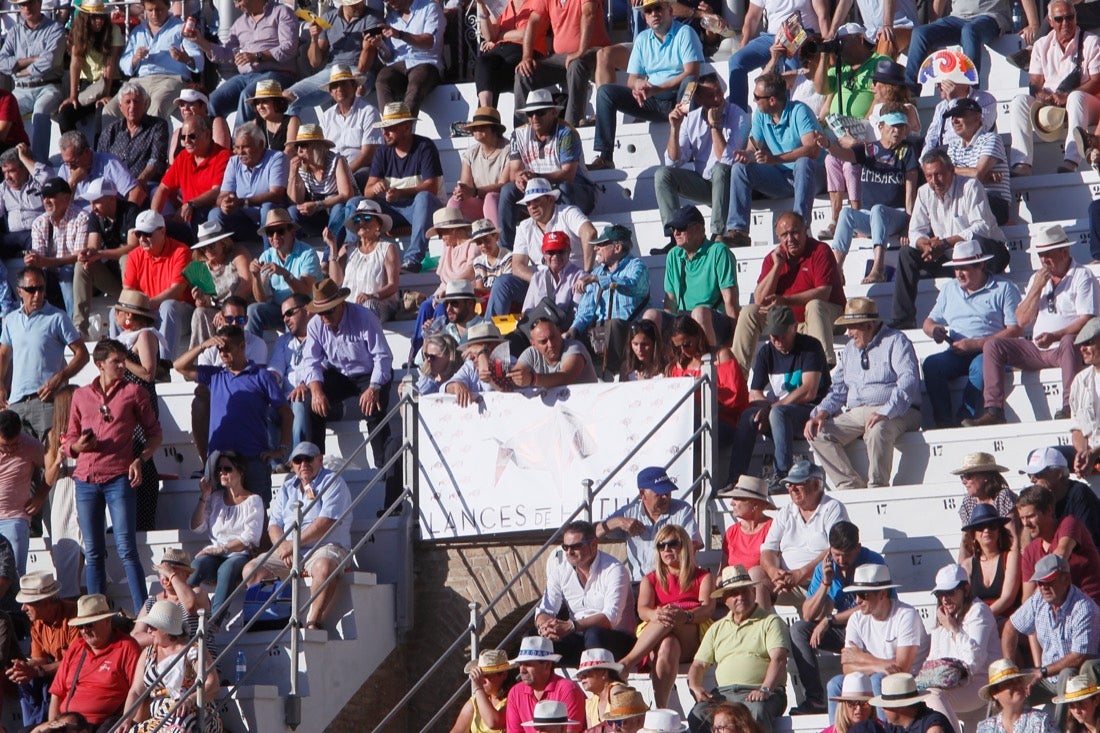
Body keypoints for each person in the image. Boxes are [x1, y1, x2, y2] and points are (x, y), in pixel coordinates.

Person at [66, 340, 161, 614]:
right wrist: (76, 447)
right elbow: (69, 437)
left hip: (119, 477)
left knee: (126, 548)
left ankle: (143, 613)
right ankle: (95, 616)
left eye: (123, 360)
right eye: (116, 361)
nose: (122, 366)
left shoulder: (135, 392)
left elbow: (155, 434)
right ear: (100, 365)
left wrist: (140, 459)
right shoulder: (81, 395)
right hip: (85, 478)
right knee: (94, 552)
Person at [974, 223, 1098, 427]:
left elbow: (1087, 319)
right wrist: (1036, 289)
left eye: (1048, 254)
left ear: (1064, 251)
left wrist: (1056, 336)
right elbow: (1021, 321)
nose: (1043, 260)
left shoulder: (1082, 275)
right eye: (1040, 254)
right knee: (993, 345)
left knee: (1069, 341)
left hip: (1068, 348)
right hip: (1039, 349)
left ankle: (1070, 405)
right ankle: (994, 409)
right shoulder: (1037, 279)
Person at [806, 298, 922, 490]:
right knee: (817, 433)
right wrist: (821, 413)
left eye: (852, 327)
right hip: (857, 412)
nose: (849, 333)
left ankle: (878, 486)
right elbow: (838, 389)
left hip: (901, 410)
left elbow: (908, 382)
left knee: (878, 429)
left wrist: (886, 411)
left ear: (869, 325)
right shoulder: (851, 349)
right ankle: (849, 484)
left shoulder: (896, 341)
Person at [302, 279, 397, 502]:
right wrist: (316, 390)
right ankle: (316, 464)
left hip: (370, 370)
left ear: (341, 304)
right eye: (321, 312)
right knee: (310, 403)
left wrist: (374, 387)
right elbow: (311, 362)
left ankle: (383, 468)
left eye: (329, 311)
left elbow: (382, 357)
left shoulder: (364, 317)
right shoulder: (316, 325)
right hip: (340, 373)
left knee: (373, 407)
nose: (325, 317)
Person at [889, 148, 1005, 330]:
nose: (934, 181)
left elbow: (981, 227)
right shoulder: (923, 192)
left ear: (952, 171)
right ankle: (903, 318)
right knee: (907, 253)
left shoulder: (971, 186)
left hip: (988, 253)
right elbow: (915, 231)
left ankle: (986, 309)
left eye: (939, 174)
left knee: (978, 243)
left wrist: (944, 243)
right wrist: (925, 245)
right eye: (928, 176)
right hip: (950, 258)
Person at [174, 325, 290, 503]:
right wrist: (203, 346)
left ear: (242, 346)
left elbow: (286, 413)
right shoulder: (215, 375)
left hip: (253, 458)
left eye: (227, 347)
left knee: (259, 520)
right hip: (218, 460)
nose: (222, 352)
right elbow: (179, 366)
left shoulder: (262, 376)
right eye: (219, 348)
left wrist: (281, 450)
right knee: (216, 518)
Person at [242, 441, 351, 630]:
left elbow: (325, 523)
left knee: (323, 567)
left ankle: (312, 622)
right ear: (291, 465)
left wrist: (293, 544)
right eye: (297, 460)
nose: (303, 464)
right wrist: (283, 546)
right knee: (251, 570)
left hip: (326, 546)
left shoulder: (333, 481)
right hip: (291, 548)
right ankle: (276, 620)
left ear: (320, 460)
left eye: (308, 459)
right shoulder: (287, 487)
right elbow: (274, 524)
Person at [586, 0, 701, 172]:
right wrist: (639, 84)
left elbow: (692, 71)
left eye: (658, 8)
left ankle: (691, 150)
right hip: (651, 100)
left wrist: (656, 88)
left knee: (690, 83)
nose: (654, 14)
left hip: (678, 98)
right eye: (648, 11)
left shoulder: (685, 32)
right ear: (645, 18)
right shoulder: (642, 40)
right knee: (605, 92)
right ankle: (605, 156)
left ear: (670, 11)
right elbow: (631, 80)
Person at [922, 240, 1023, 429]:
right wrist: (935, 330)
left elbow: (1015, 330)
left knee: (979, 365)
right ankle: (943, 421)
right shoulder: (949, 288)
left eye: (964, 268)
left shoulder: (1004, 288)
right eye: (956, 268)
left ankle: (964, 417)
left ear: (981, 265)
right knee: (931, 365)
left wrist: (976, 344)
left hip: (992, 352)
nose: (959, 274)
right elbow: (928, 322)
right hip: (957, 351)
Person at [789, 521, 887, 716]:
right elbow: (808, 613)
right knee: (799, 629)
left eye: (847, 555)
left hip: (872, 629)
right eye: (836, 554)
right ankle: (815, 698)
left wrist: (830, 620)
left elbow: (870, 606)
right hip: (843, 631)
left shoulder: (873, 562)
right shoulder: (825, 565)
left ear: (858, 548)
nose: (841, 560)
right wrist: (825, 583)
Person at [731, 211, 846, 371]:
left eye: (794, 233)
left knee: (814, 306)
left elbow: (823, 292)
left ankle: (820, 370)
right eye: (784, 235)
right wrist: (777, 267)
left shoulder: (820, 250)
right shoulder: (773, 258)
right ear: (778, 237)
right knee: (749, 312)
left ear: (805, 230)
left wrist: (785, 300)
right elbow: (759, 300)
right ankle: (736, 377)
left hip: (826, 319)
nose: (790, 239)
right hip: (788, 324)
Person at [730, 305, 830, 486]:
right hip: (779, 415)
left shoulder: (810, 347)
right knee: (748, 415)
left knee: (778, 413)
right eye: (772, 334)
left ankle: (782, 474)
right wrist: (763, 410)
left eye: (781, 333)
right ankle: (736, 478)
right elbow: (754, 393)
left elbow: (810, 390)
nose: (777, 339)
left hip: (812, 412)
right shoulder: (766, 352)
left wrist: (771, 409)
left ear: (794, 327)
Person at [819, 106, 918, 285]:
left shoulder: (907, 151)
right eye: (893, 126)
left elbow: (911, 193)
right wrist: (828, 145)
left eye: (901, 127)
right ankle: (836, 270)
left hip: (897, 214)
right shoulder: (868, 149)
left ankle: (878, 268)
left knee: (878, 209)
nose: (897, 131)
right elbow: (844, 154)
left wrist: (908, 225)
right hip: (870, 217)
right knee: (846, 214)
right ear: (881, 127)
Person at [617, 524, 714, 708]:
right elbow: (643, 610)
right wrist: (657, 613)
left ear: (684, 546)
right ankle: (662, 709)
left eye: (672, 544)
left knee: (670, 615)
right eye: (661, 546)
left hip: (692, 633)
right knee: (668, 641)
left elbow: (707, 609)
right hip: (662, 638)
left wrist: (684, 616)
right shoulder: (651, 579)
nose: (666, 549)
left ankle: (627, 662)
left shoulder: (702, 576)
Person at [687, 564, 791, 732]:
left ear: (753, 592)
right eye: (734, 593)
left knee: (757, 710)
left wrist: (765, 688)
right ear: (725, 599)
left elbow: (778, 659)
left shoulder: (770, 621)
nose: (740, 597)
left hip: (763, 692)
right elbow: (698, 665)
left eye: (744, 591)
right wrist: (695, 687)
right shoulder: (716, 628)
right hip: (724, 695)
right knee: (697, 715)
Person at [725, 74, 823, 248]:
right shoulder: (761, 116)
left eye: (757, 97)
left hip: (812, 176)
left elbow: (812, 149)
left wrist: (775, 159)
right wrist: (745, 155)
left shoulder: (800, 111)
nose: (754, 100)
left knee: (803, 162)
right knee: (740, 169)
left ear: (771, 100)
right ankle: (738, 231)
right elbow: (754, 146)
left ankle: (801, 227)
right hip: (782, 177)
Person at [1001, 553, 1100, 726]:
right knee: (1001, 688)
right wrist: (1010, 670)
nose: (1043, 587)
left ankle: (1059, 729)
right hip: (1046, 678)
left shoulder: (1084, 608)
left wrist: (1043, 671)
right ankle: (994, 728)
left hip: (1076, 679)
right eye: (1040, 583)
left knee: (1066, 674)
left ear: (1066, 579)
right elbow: (1010, 628)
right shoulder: (1038, 600)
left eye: (1049, 581)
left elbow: (1079, 656)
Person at [824, 565, 931, 717]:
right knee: (835, 685)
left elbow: (902, 668)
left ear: (882, 593)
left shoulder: (906, 615)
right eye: (855, 594)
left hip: (910, 681)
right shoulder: (856, 618)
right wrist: (880, 666)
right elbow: (847, 668)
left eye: (863, 594)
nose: (857, 600)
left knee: (878, 680)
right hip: (878, 676)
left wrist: (861, 657)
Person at [1008, 1, 1100, 176]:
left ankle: (1071, 160)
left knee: (1076, 97)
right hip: (1052, 102)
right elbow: (1035, 81)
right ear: (1050, 22)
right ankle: (1021, 163)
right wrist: (1039, 93)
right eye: (1059, 19)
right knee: (1019, 101)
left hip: (1088, 102)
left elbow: (1097, 81)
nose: (1065, 23)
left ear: (1076, 17)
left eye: (1069, 17)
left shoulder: (1091, 42)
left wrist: (1068, 95)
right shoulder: (1041, 44)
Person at [497, 89, 597, 251]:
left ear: (552, 113)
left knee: (564, 188)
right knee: (508, 190)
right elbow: (514, 171)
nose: (534, 118)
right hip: (538, 192)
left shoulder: (567, 133)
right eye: (530, 114)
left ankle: (565, 245)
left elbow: (568, 174)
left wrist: (536, 176)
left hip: (578, 190)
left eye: (540, 112)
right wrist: (520, 178)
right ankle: (506, 251)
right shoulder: (518, 134)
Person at [655, 72, 746, 247]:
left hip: (730, 183)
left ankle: (718, 233)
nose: (718, 98)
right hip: (705, 183)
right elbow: (673, 161)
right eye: (711, 95)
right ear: (698, 98)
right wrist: (674, 129)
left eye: (719, 92)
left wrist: (714, 125)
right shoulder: (692, 119)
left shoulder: (738, 115)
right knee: (662, 175)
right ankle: (674, 235)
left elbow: (727, 160)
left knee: (720, 169)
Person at [0, 265, 88, 442]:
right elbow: (3, 354)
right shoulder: (10, 320)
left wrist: (59, 378)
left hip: (46, 401)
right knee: (21, 466)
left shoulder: (58, 317)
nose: (37, 294)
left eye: (41, 288)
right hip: (16, 403)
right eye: (31, 289)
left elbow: (82, 354)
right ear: (19, 291)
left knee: (50, 462)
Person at [533, 519, 636, 663]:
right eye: (565, 547)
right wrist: (545, 626)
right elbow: (546, 609)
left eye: (576, 546)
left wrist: (571, 626)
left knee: (593, 634)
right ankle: (545, 685)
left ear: (593, 545)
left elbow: (610, 618)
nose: (569, 552)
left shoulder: (614, 569)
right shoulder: (560, 571)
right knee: (532, 638)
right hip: (578, 636)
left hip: (616, 639)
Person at [183, 0, 297, 123]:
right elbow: (226, 53)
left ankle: (241, 141)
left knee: (248, 96)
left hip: (278, 73)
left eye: (238, 1)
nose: (236, 6)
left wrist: (257, 56)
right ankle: (215, 140)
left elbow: (289, 47)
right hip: (247, 76)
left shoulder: (281, 12)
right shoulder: (240, 23)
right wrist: (200, 41)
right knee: (214, 100)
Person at [642, 204, 738, 349]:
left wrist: (734, 342)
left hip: (713, 319)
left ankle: (709, 363)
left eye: (681, 228)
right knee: (650, 316)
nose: (675, 233)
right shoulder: (673, 255)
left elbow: (730, 300)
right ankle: (660, 367)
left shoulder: (718, 251)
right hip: (684, 319)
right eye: (674, 229)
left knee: (699, 313)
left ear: (699, 229)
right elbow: (670, 303)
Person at [756, 460, 849, 610]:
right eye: (788, 484)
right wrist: (774, 572)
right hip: (786, 582)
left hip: (821, 582)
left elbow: (836, 548)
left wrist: (801, 574)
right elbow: (768, 549)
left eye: (799, 483)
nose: (792, 488)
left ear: (816, 485)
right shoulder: (785, 512)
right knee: (756, 575)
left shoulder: (832, 508)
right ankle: (767, 629)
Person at [117, 600, 220, 733]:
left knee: (177, 728)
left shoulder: (192, 649)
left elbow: (213, 684)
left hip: (193, 713)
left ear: (166, 629)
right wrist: (126, 719)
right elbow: (136, 691)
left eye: (153, 626)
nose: (149, 630)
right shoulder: (148, 653)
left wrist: (190, 699)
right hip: (159, 718)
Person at [364, 102, 443, 273]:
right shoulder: (382, 152)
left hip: (423, 210)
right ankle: (355, 256)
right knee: (358, 202)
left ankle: (413, 260)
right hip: (394, 210)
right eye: (384, 128)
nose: (385, 133)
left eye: (390, 128)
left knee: (423, 198)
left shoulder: (425, 147)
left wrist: (400, 193)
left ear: (407, 127)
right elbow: (367, 190)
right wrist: (375, 188)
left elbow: (431, 188)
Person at [566, 224, 650, 379]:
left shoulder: (636, 266)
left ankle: (616, 375)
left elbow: (633, 285)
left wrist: (600, 280)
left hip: (631, 330)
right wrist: (573, 330)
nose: (596, 248)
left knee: (614, 324)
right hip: (599, 333)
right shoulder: (596, 273)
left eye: (601, 245)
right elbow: (586, 310)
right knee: (566, 338)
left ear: (617, 248)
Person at [924, 563, 1002, 731]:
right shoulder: (943, 616)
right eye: (940, 594)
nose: (945, 599)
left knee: (932, 694)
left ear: (966, 590)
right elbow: (933, 658)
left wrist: (953, 628)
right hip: (954, 684)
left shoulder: (978, 611)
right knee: (919, 694)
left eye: (950, 592)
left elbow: (973, 662)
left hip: (982, 685)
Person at [510, 0, 611, 128]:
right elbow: (533, 22)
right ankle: (521, 132)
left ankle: (571, 128)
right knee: (523, 73)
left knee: (576, 65)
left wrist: (581, 50)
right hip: (562, 58)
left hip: (594, 51)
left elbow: (589, 13)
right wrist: (526, 57)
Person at [46, 595, 140, 730]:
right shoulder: (77, 646)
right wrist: (52, 726)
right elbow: (57, 692)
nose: (84, 630)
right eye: (80, 626)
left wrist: (128, 723)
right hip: (67, 725)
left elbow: (138, 692)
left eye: (89, 625)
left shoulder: (127, 647)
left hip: (103, 725)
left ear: (107, 621)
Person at [596, 466, 701, 584]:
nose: (666, 497)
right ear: (643, 494)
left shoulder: (682, 510)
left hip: (674, 583)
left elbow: (693, 545)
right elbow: (593, 534)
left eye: (668, 492)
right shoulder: (629, 512)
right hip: (640, 585)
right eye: (660, 493)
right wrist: (618, 522)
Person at [724, 0, 827, 112]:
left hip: (802, 34)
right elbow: (752, 18)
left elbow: (823, 15)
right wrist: (743, 44)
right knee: (737, 61)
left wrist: (827, 45)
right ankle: (738, 116)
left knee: (791, 63)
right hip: (772, 37)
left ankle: (790, 116)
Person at [108, 0, 202, 120]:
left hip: (171, 79)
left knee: (157, 106)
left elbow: (199, 63)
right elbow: (124, 64)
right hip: (140, 81)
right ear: (144, 9)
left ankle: (147, 138)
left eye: (159, 10)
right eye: (150, 10)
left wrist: (184, 58)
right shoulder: (138, 31)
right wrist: (135, 59)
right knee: (110, 110)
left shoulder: (180, 28)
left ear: (168, 7)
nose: (154, 14)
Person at [7, 573, 78, 730]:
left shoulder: (73, 616)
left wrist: (37, 671)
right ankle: (32, 726)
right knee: (23, 679)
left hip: (73, 675)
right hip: (55, 672)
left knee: (42, 683)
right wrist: (23, 667)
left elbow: (74, 663)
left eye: (28, 603)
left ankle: (34, 728)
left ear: (45, 602)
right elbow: (39, 658)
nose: (23, 608)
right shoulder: (37, 621)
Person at [120, 209, 195, 355]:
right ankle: (120, 361)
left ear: (162, 231)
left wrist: (146, 306)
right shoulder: (135, 255)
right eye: (138, 234)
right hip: (147, 313)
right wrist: (137, 310)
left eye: (147, 233)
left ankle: (164, 365)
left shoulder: (181, 251)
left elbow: (177, 290)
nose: (142, 238)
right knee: (116, 313)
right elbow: (128, 291)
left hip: (179, 313)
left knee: (169, 306)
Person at [0, 0, 65, 163]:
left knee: (41, 110)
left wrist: (20, 69)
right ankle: (9, 161)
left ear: (39, 2)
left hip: (49, 87)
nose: (26, 7)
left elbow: (50, 61)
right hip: (21, 89)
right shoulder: (14, 32)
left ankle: (39, 163)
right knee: (3, 111)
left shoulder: (55, 29)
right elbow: (1, 62)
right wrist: (32, 59)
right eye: (22, 5)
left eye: (30, 3)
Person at [74, 178, 139, 338]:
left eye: (96, 202)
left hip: (135, 284)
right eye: (91, 202)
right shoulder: (95, 217)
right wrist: (87, 254)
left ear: (112, 198)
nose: (93, 207)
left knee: (126, 258)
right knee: (81, 265)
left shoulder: (130, 211)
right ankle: (79, 328)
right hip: (115, 281)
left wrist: (100, 254)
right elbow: (93, 247)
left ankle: (132, 314)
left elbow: (133, 247)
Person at [247, 208, 323, 337]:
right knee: (253, 310)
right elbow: (261, 299)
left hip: (306, 310)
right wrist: (255, 277)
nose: (275, 236)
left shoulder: (307, 253)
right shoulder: (266, 256)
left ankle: (292, 354)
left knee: (292, 311)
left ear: (292, 232)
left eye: (280, 231)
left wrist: (286, 274)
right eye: (270, 233)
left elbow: (305, 292)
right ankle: (252, 354)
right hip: (280, 311)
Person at [208, 122, 289, 243]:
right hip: (244, 221)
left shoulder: (277, 158)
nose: (240, 152)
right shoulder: (234, 162)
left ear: (261, 144)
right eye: (237, 147)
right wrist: (224, 203)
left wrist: (243, 202)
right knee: (215, 213)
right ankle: (220, 258)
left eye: (245, 147)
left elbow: (276, 194)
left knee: (267, 208)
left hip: (274, 224)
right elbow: (222, 195)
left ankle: (270, 256)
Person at [1017, 485, 1100, 603]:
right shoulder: (1030, 551)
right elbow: (1027, 598)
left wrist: (1035, 604)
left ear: (1049, 510)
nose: (1026, 523)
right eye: (1022, 518)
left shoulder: (1069, 524)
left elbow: (1059, 558)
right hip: (1055, 612)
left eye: (1031, 516)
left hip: (1088, 604)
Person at [151, 116, 231, 235]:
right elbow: (163, 188)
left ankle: (198, 253)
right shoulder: (183, 156)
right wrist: (153, 218)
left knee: (200, 212)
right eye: (183, 137)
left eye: (192, 136)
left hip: (212, 220)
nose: (186, 141)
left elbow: (217, 191)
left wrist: (191, 203)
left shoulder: (223, 156)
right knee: (158, 231)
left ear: (207, 135)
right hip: (187, 219)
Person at [56, 0, 123, 137]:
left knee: (102, 113)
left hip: (110, 84)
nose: (99, 21)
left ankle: (100, 155)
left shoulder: (113, 30)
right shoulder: (78, 31)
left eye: (101, 16)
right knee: (64, 115)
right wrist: (73, 96)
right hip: (87, 86)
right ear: (85, 17)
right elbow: (75, 63)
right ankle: (78, 150)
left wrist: (106, 94)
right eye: (94, 17)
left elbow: (110, 64)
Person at [327, 199, 401, 323]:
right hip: (351, 306)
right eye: (357, 220)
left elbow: (392, 286)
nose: (361, 222)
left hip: (380, 303)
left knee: (369, 306)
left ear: (378, 224)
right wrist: (333, 247)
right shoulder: (347, 249)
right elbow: (335, 280)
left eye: (367, 218)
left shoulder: (387, 248)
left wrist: (372, 296)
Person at [28, 177, 92, 317]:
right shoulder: (39, 223)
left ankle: (74, 326)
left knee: (67, 272)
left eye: (51, 196)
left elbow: (79, 256)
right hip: (50, 275)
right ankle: (34, 321)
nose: (46, 201)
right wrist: (33, 260)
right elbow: (39, 256)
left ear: (66, 198)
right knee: (30, 276)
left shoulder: (82, 218)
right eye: (44, 197)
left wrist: (46, 262)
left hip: (77, 274)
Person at [371, 0, 444, 115]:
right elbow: (389, 57)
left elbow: (429, 41)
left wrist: (400, 35)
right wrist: (380, 45)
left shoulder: (430, 8)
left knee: (415, 85)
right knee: (382, 80)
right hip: (398, 66)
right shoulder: (391, 18)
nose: (388, 2)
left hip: (425, 62)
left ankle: (403, 129)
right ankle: (390, 126)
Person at [471, 0, 547, 109]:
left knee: (490, 76)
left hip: (526, 51)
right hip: (500, 50)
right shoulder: (502, 3)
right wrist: (482, 6)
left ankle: (485, 120)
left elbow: (527, 33)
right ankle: (485, 113)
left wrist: (500, 36)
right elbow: (489, 36)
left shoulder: (538, 2)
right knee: (482, 63)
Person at [285, 124, 355, 240]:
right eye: (297, 146)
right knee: (293, 211)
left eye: (303, 145)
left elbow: (346, 195)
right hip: (319, 216)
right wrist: (293, 173)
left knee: (338, 207)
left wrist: (318, 205)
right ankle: (296, 251)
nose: (299, 151)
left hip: (342, 215)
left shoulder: (336, 161)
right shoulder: (303, 168)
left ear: (317, 146)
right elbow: (295, 201)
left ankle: (331, 253)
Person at [1022, 447, 1100, 549]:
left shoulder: (1079, 493)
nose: (1032, 480)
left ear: (1058, 474)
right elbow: (1027, 543)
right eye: (1030, 475)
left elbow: (1088, 542)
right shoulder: (1040, 499)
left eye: (1038, 474)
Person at [318, 65, 382, 189]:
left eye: (344, 84)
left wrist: (343, 174)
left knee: (360, 177)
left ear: (354, 86)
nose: (339, 89)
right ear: (331, 92)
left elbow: (368, 155)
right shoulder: (326, 117)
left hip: (360, 170)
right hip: (333, 173)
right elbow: (321, 153)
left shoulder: (368, 112)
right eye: (335, 86)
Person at [504, 636, 586, 733]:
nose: (522, 670)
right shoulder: (515, 692)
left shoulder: (568, 690)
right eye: (520, 664)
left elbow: (570, 731)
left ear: (547, 665)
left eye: (528, 664)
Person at [960, 504, 1022, 626]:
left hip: (1006, 621)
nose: (986, 530)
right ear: (973, 535)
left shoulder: (1010, 557)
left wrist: (982, 617)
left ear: (999, 531)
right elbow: (964, 601)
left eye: (992, 526)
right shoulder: (967, 565)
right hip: (977, 623)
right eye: (980, 527)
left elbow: (1008, 598)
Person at [0, 408, 44, 574]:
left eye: (15, 444)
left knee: (15, 574)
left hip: (15, 518)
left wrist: (40, 497)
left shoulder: (31, 446)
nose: (10, 449)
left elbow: (53, 467)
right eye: (5, 445)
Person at [449, 107, 509, 226]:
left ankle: (497, 242)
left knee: (491, 198)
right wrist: (462, 191)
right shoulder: (471, 153)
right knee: (454, 202)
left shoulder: (509, 150)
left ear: (495, 129)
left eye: (482, 126)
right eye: (475, 127)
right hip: (479, 204)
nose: (477, 130)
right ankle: (455, 244)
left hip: (503, 204)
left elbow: (503, 186)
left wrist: (475, 191)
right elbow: (466, 186)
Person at [718, 476, 775, 602]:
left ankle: (760, 621)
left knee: (756, 574)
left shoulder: (772, 528)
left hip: (765, 587)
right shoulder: (731, 532)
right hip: (735, 589)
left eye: (737, 498)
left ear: (754, 505)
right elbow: (723, 570)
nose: (732, 503)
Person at [267, 294, 312, 452]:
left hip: (315, 397)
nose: (285, 319)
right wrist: (268, 382)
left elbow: (325, 367)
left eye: (289, 313)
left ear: (306, 310)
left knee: (299, 400)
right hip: (287, 400)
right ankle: (273, 462)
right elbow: (275, 369)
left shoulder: (321, 334)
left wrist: (306, 385)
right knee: (264, 406)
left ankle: (299, 458)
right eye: (283, 316)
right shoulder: (283, 341)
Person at [57, 131, 144, 208]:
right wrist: (72, 183)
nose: (70, 167)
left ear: (87, 152)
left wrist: (126, 220)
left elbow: (136, 192)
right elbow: (60, 210)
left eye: (74, 162)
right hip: (76, 223)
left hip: (105, 220)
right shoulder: (64, 170)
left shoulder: (110, 163)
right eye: (66, 162)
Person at [511, 318, 599, 389]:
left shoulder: (574, 347)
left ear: (559, 333)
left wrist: (533, 379)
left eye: (553, 337)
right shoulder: (531, 353)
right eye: (543, 341)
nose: (550, 344)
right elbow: (516, 374)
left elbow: (566, 377)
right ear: (533, 344)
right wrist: (515, 378)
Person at [976, 659, 1056, 733]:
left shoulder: (1042, 721)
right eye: (1008, 683)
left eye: (1018, 681)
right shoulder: (985, 728)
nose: (1016, 685)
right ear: (995, 693)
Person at [858, 674, 952, 733]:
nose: (882, 709)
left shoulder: (933, 727)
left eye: (885, 706)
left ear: (899, 707)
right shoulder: (894, 727)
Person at [448, 648, 512, 733]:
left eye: (487, 675)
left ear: (503, 675)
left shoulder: (512, 699)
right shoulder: (475, 701)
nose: (482, 680)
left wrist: (478, 688)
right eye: (480, 676)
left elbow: (493, 722)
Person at [576, 648, 626, 727]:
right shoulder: (591, 704)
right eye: (580, 674)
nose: (582, 677)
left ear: (604, 673)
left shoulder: (617, 691)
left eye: (586, 672)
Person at [248, 80, 298, 156]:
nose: (260, 107)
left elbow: (289, 151)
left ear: (277, 102)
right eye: (257, 103)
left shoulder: (292, 121)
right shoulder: (256, 124)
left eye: (264, 101)